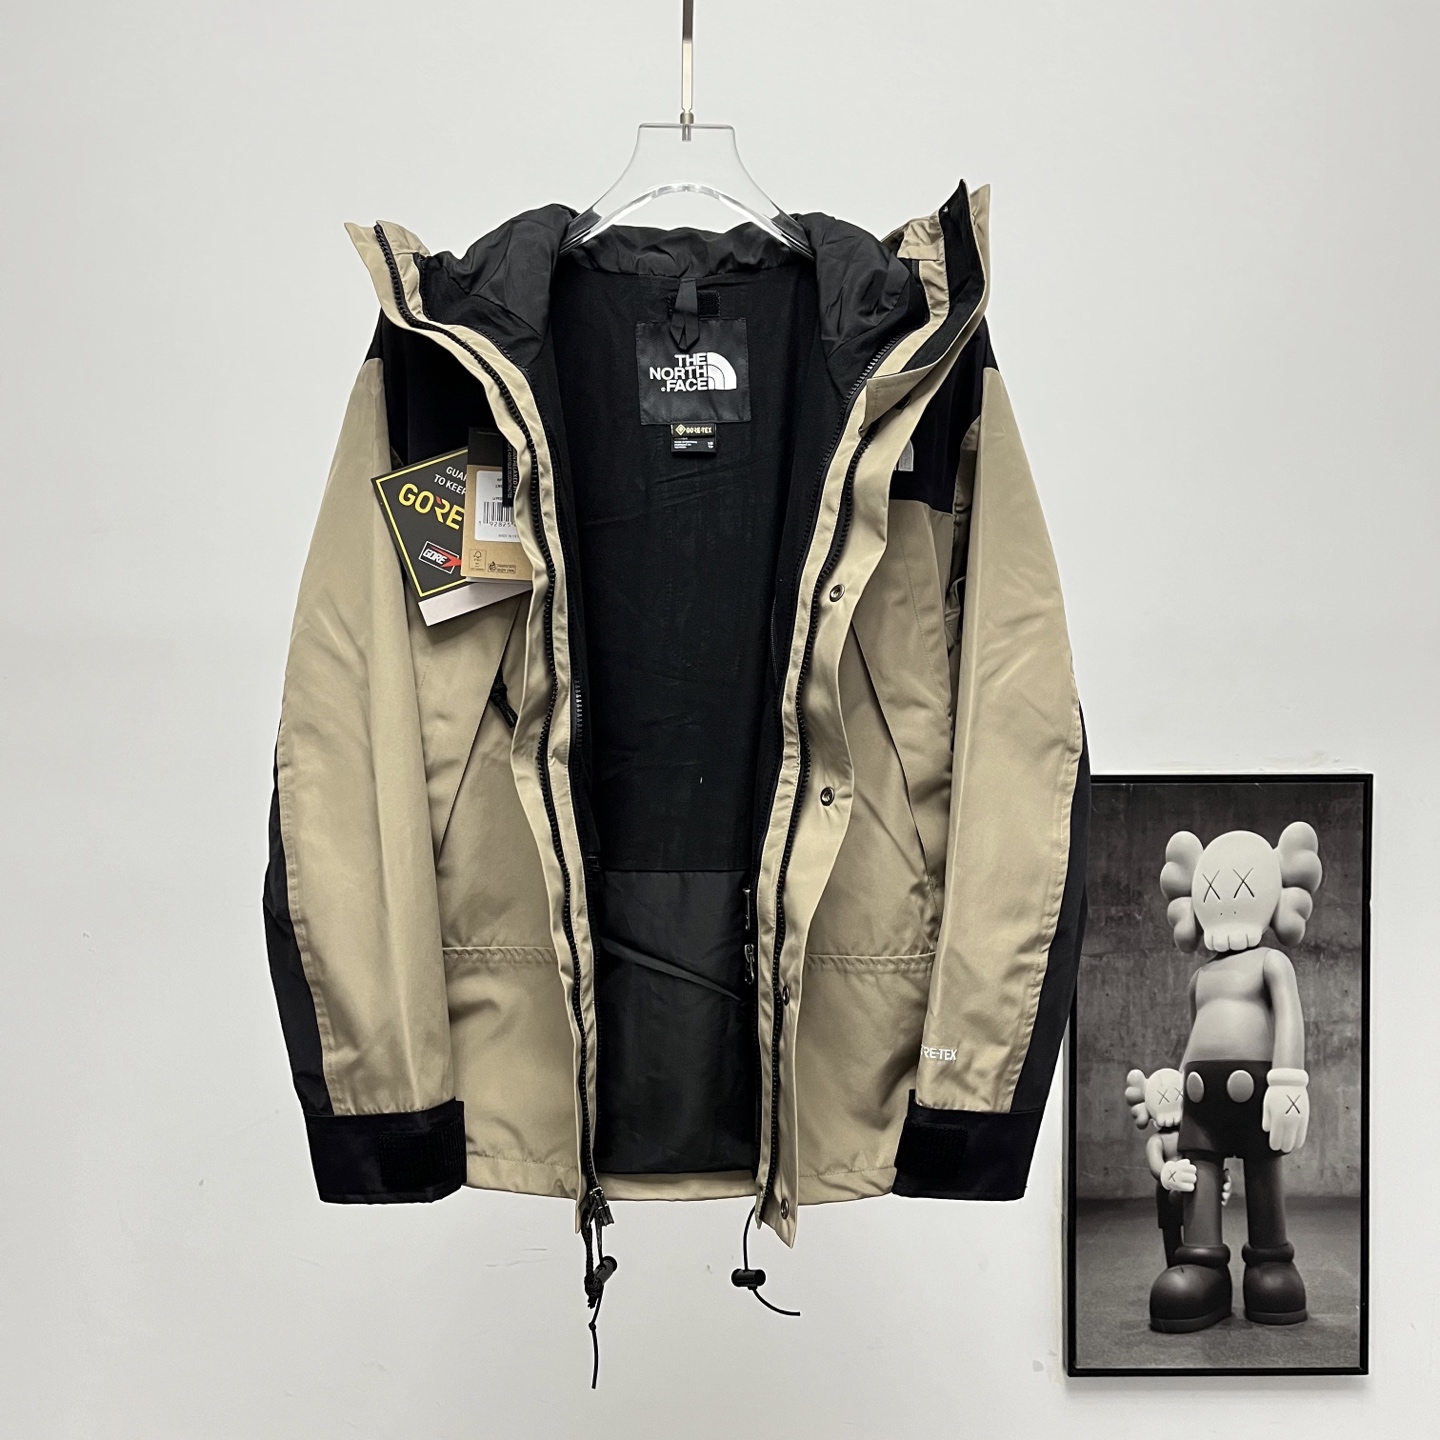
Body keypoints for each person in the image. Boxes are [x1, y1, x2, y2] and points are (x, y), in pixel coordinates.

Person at [1146, 823, 1322, 1333]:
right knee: (1201, 1172)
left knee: (1264, 1169)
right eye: (1214, 885)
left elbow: (1290, 1019)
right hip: (1201, 1101)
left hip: (1259, 1091)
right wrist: (1175, 1094)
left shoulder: (1273, 963)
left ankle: (1271, 1260)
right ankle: (1203, 1264)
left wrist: (1289, 1083)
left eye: (1243, 883)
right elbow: (1193, 1035)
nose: (1227, 894)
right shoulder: (1199, 978)